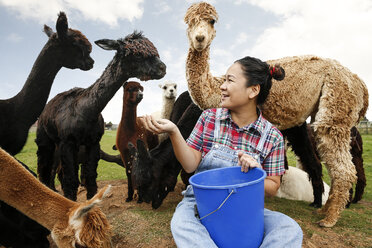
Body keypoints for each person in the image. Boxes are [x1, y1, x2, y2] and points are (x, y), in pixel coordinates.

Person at [143, 56, 303, 247]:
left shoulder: (272, 136)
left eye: (229, 80)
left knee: (289, 229)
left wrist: (255, 173)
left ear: (253, 90)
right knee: (182, 224)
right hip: (199, 203)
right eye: (223, 80)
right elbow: (189, 164)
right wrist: (174, 132)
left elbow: (273, 186)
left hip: (245, 206)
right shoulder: (208, 118)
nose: (222, 86)